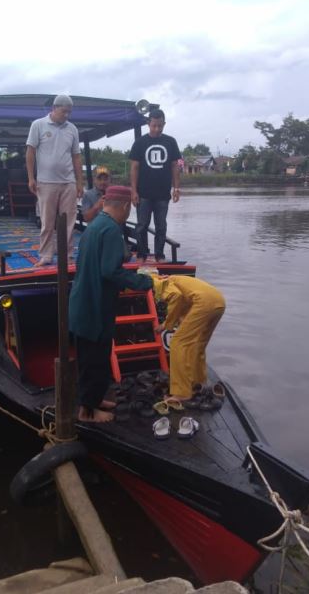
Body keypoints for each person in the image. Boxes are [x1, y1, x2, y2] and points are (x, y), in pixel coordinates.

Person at [69, 186, 153, 422]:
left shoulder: (93, 226)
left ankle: (92, 400)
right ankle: (87, 412)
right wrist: (144, 282)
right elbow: (110, 271)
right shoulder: (111, 230)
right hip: (94, 307)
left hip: (84, 302)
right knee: (93, 360)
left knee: (93, 356)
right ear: (126, 206)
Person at [26, 94, 84, 266]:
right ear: (54, 108)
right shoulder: (38, 125)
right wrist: (31, 178)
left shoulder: (72, 129)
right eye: (64, 111)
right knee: (47, 221)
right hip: (45, 182)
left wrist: (80, 182)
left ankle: (66, 254)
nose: (66, 115)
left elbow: (76, 157)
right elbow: (30, 152)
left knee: (68, 221)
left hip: (68, 182)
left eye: (69, 112)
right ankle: (45, 255)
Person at [151, 275, 225, 402]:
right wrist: (165, 325)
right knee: (199, 344)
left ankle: (181, 392)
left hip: (204, 302)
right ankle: (199, 383)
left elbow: (176, 296)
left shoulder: (163, 285)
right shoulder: (177, 280)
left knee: (177, 343)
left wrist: (167, 324)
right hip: (219, 301)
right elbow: (183, 305)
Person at [129, 109, 182, 262]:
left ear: (164, 124)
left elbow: (175, 165)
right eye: (154, 126)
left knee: (161, 226)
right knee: (141, 225)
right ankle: (142, 253)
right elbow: (134, 168)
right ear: (148, 124)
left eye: (160, 126)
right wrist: (133, 191)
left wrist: (176, 188)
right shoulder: (139, 143)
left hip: (163, 194)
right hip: (143, 193)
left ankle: (159, 254)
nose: (157, 129)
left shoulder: (171, 142)